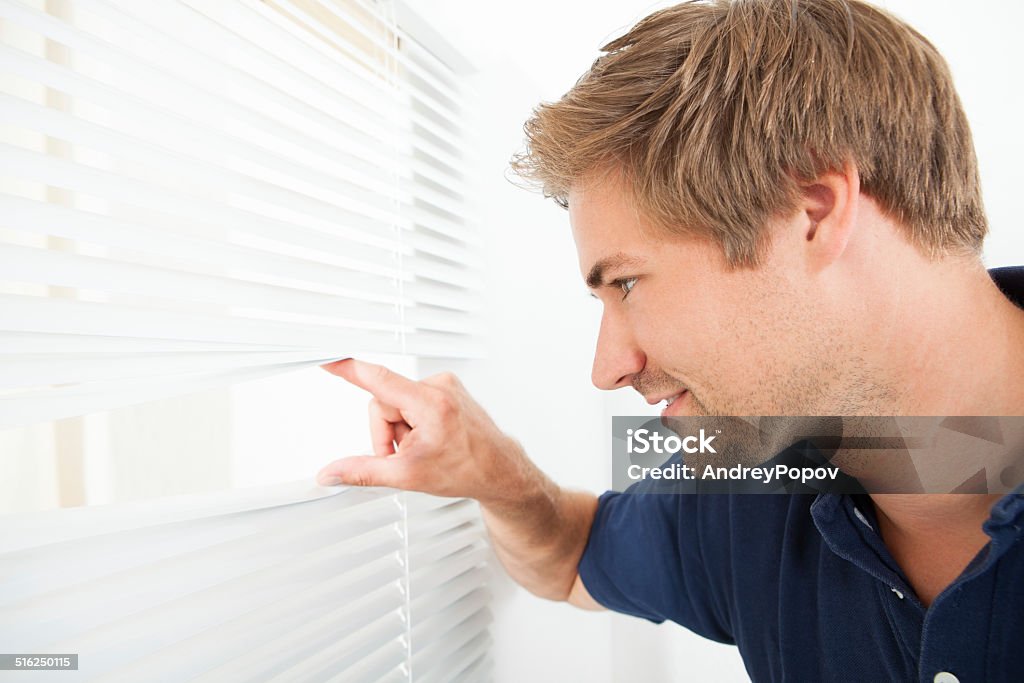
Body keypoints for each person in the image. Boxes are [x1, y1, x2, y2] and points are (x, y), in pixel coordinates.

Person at [317, 0, 1024, 680]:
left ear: (812, 211)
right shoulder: (764, 479)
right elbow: (571, 554)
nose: (608, 369)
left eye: (625, 283)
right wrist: (496, 473)